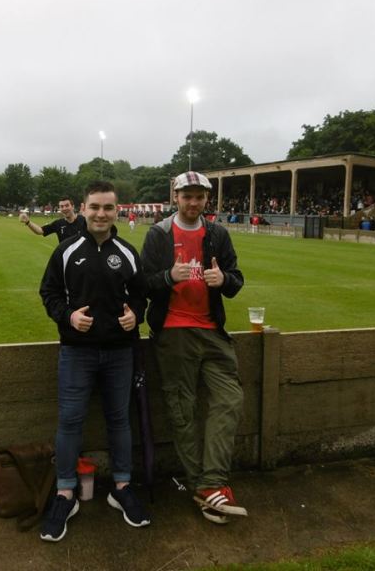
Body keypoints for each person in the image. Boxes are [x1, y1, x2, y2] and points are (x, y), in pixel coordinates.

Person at [38, 180, 150, 542]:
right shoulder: (67, 250)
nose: (101, 214)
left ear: (118, 211)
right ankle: (65, 493)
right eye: (95, 207)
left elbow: (140, 296)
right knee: (70, 420)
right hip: (77, 351)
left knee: (119, 419)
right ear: (83, 209)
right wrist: (68, 317)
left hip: (120, 352)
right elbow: (49, 293)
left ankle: (121, 487)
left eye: (108, 208)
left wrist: (136, 315)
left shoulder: (128, 252)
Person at [140, 171, 247, 525]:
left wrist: (224, 280)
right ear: (176, 196)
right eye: (187, 195)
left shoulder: (218, 233)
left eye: (199, 196)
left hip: (212, 331)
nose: (193, 201)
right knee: (182, 410)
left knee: (229, 398)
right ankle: (209, 488)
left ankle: (209, 484)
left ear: (206, 199)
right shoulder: (158, 234)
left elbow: (235, 279)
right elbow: (143, 283)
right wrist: (169, 277)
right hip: (173, 332)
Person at [20, 197, 86, 243]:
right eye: (61, 206)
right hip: (65, 261)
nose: (64, 208)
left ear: (73, 206)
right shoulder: (58, 224)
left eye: (67, 205)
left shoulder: (83, 220)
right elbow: (40, 231)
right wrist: (28, 222)